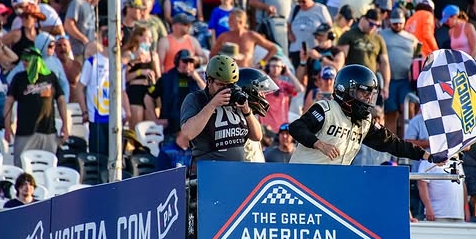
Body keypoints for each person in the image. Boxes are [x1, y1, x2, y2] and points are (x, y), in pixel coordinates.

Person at [288, 65, 430, 165]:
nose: (368, 98)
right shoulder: (326, 109)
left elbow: (392, 143)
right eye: (363, 93)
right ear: (346, 90)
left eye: (370, 94)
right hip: (304, 178)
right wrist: (319, 144)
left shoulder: (365, 121)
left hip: (333, 181)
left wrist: (425, 155)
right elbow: (296, 127)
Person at [180, 54, 263, 166]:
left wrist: (247, 112)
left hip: (237, 169)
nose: (226, 89)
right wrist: (212, 105)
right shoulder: (196, 99)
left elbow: (257, 136)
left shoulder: (237, 98)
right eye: (220, 84)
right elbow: (188, 133)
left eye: (230, 85)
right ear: (209, 81)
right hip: (209, 170)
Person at [4, 48, 69, 167]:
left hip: (48, 131)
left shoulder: (50, 77)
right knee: (21, 167)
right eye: (23, 60)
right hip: (25, 132)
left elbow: (61, 100)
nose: (24, 63)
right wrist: (7, 127)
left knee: (49, 167)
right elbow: (8, 102)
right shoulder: (19, 78)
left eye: (27, 60)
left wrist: (65, 124)